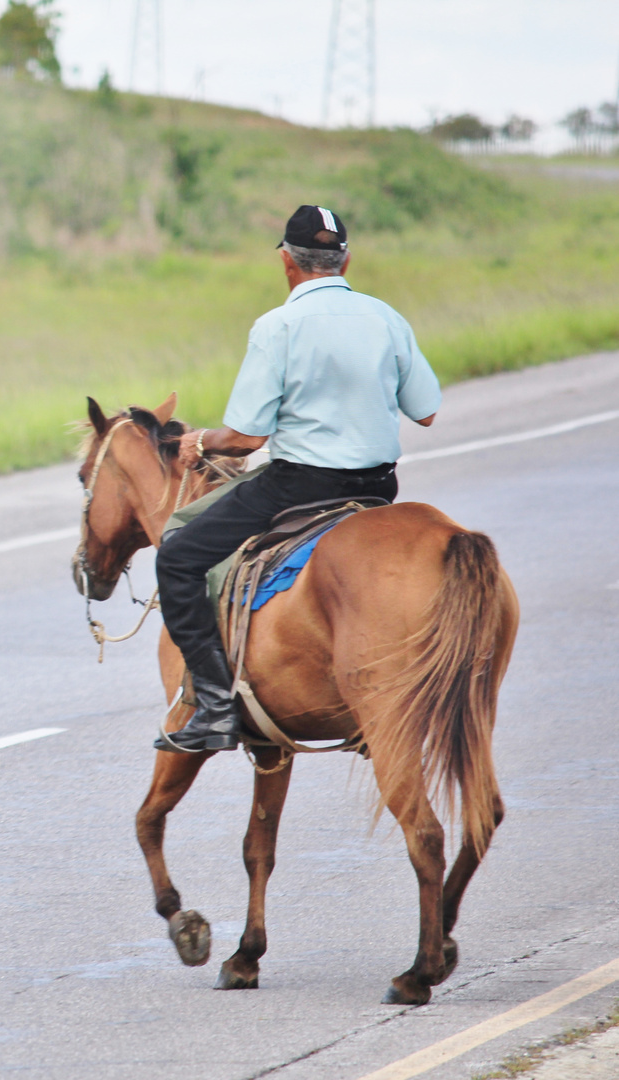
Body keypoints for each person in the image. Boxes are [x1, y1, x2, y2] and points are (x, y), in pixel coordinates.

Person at [154, 205, 442, 753]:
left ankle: (214, 706)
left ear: (287, 263)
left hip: (299, 485)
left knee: (178, 556)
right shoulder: (386, 318)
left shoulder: (277, 326)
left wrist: (200, 442)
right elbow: (425, 411)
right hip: (378, 491)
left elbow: (245, 438)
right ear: (346, 259)